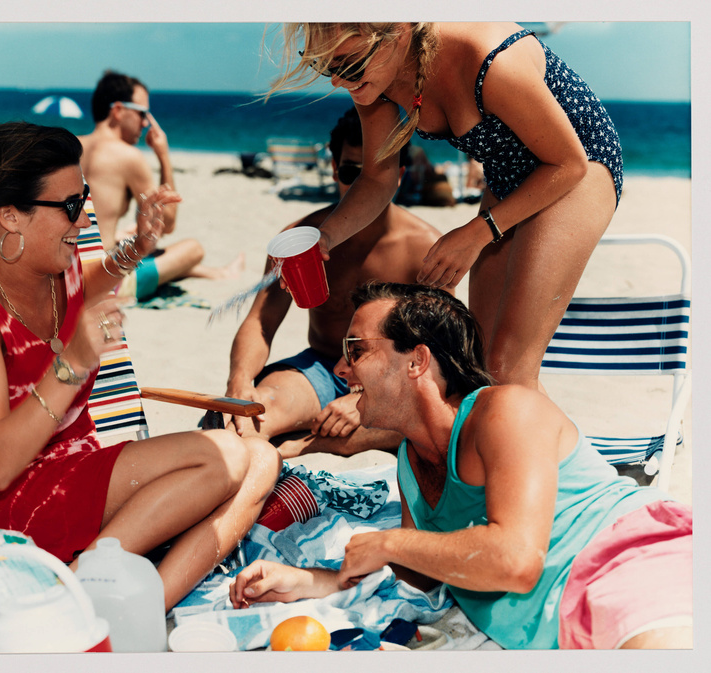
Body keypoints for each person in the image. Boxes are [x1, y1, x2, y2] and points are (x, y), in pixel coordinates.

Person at [0, 122, 281, 613]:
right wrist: (72, 363)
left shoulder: (55, 271)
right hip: (14, 501)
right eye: (70, 206)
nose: (85, 216)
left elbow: (92, 282)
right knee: (228, 458)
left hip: (79, 474)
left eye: (84, 196)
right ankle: (84, 585)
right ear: (10, 216)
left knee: (262, 457)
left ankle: (143, 603)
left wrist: (139, 245)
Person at [230, 281, 692, 650]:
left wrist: (389, 540)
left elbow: (514, 560)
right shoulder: (410, 462)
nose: (341, 369)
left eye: (357, 349)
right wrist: (316, 581)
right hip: (558, 627)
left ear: (417, 360)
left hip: (627, 560)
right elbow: (422, 569)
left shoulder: (506, 411)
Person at [269, 23, 623, 390]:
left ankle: (544, 448)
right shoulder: (377, 81)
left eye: (349, 66)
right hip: (507, 176)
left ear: (400, 32)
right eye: (327, 67)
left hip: (577, 166)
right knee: (478, 366)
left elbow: (569, 163)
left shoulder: (489, 60)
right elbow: (378, 179)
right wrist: (326, 237)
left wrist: (476, 233)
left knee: (509, 367)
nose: (338, 82)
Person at [225, 107, 442, 458]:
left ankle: (297, 449)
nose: (360, 186)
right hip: (323, 366)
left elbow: (439, 354)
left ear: (398, 175)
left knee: (429, 419)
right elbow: (260, 322)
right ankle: (267, 458)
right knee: (248, 415)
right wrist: (239, 381)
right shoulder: (298, 241)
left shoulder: (425, 249)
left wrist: (362, 398)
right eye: (349, 171)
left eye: (373, 174)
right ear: (332, 168)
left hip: (395, 382)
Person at [79, 70, 243, 301]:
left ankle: (216, 273)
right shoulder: (128, 156)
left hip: (69, 274)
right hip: (104, 282)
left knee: (130, 243)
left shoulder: (71, 147)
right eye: (142, 113)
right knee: (193, 248)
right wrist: (163, 155)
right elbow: (167, 223)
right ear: (117, 111)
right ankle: (220, 273)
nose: (145, 122)